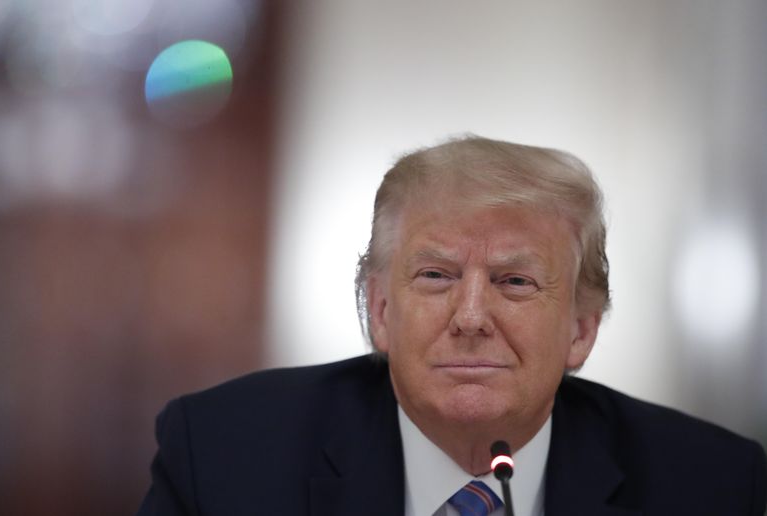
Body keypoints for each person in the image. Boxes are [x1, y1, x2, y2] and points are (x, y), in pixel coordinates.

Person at [137, 136, 767, 515]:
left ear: (581, 329)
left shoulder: (711, 485)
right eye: (436, 276)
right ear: (379, 311)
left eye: (514, 282)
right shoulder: (223, 458)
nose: (470, 319)